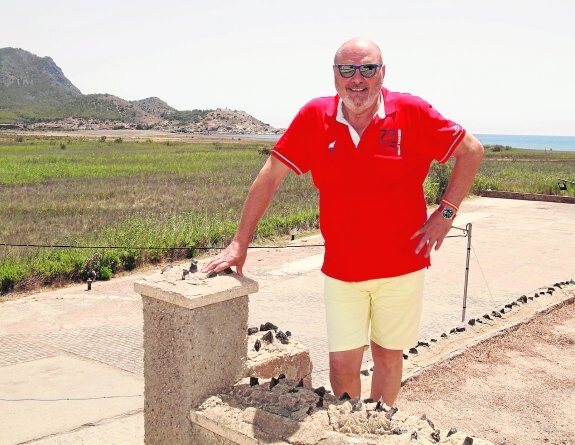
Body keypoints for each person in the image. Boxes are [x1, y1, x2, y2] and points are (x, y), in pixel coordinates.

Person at [202, 37, 484, 406]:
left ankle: (378, 428)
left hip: (403, 264)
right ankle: (350, 428)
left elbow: (472, 151)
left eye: (367, 68)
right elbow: (269, 177)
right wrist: (240, 243)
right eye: (346, 69)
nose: (357, 79)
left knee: (387, 356)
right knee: (342, 366)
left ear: (382, 73)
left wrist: (445, 214)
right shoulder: (314, 117)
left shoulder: (412, 111)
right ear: (334, 75)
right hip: (342, 269)